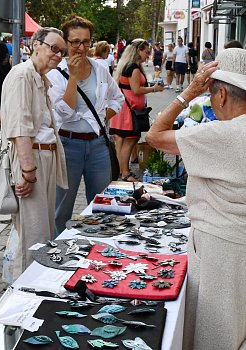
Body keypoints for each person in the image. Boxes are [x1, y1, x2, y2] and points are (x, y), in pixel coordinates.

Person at [146, 48, 246, 350]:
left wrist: (188, 93)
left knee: (215, 333)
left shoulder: (222, 134)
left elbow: (154, 135)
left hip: (222, 248)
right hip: (233, 242)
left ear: (222, 95)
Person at [0, 27, 68, 277]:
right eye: (54, 48)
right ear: (34, 45)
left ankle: (35, 282)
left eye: (62, 51)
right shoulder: (22, 76)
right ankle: (25, 289)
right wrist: (28, 171)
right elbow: (19, 129)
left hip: (44, 157)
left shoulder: (39, 78)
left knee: (42, 230)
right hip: (34, 158)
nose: (58, 55)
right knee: (34, 233)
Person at [47, 16, 124, 235]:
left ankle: (98, 251)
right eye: (75, 42)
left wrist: (99, 118)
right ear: (65, 43)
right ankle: (58, 255)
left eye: (86, 42)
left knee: (101, 207)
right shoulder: (55, 73)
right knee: (61, 210)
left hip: (98, 145)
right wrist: (72, 77)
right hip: (67, 145)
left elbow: (117, 99)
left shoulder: (100, 68)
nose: (81, 48)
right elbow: (64, 111)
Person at [109, 39, 163, 182]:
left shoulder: (129, 66)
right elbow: (136, 89)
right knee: (130, 140)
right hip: (129, 111)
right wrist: (154, 89)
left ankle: (122, 171)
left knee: (125, 141)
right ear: (138, 51)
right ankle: (125, 173)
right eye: (146, 52)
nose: (147, 55)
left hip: (126, 110)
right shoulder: (133, 68)